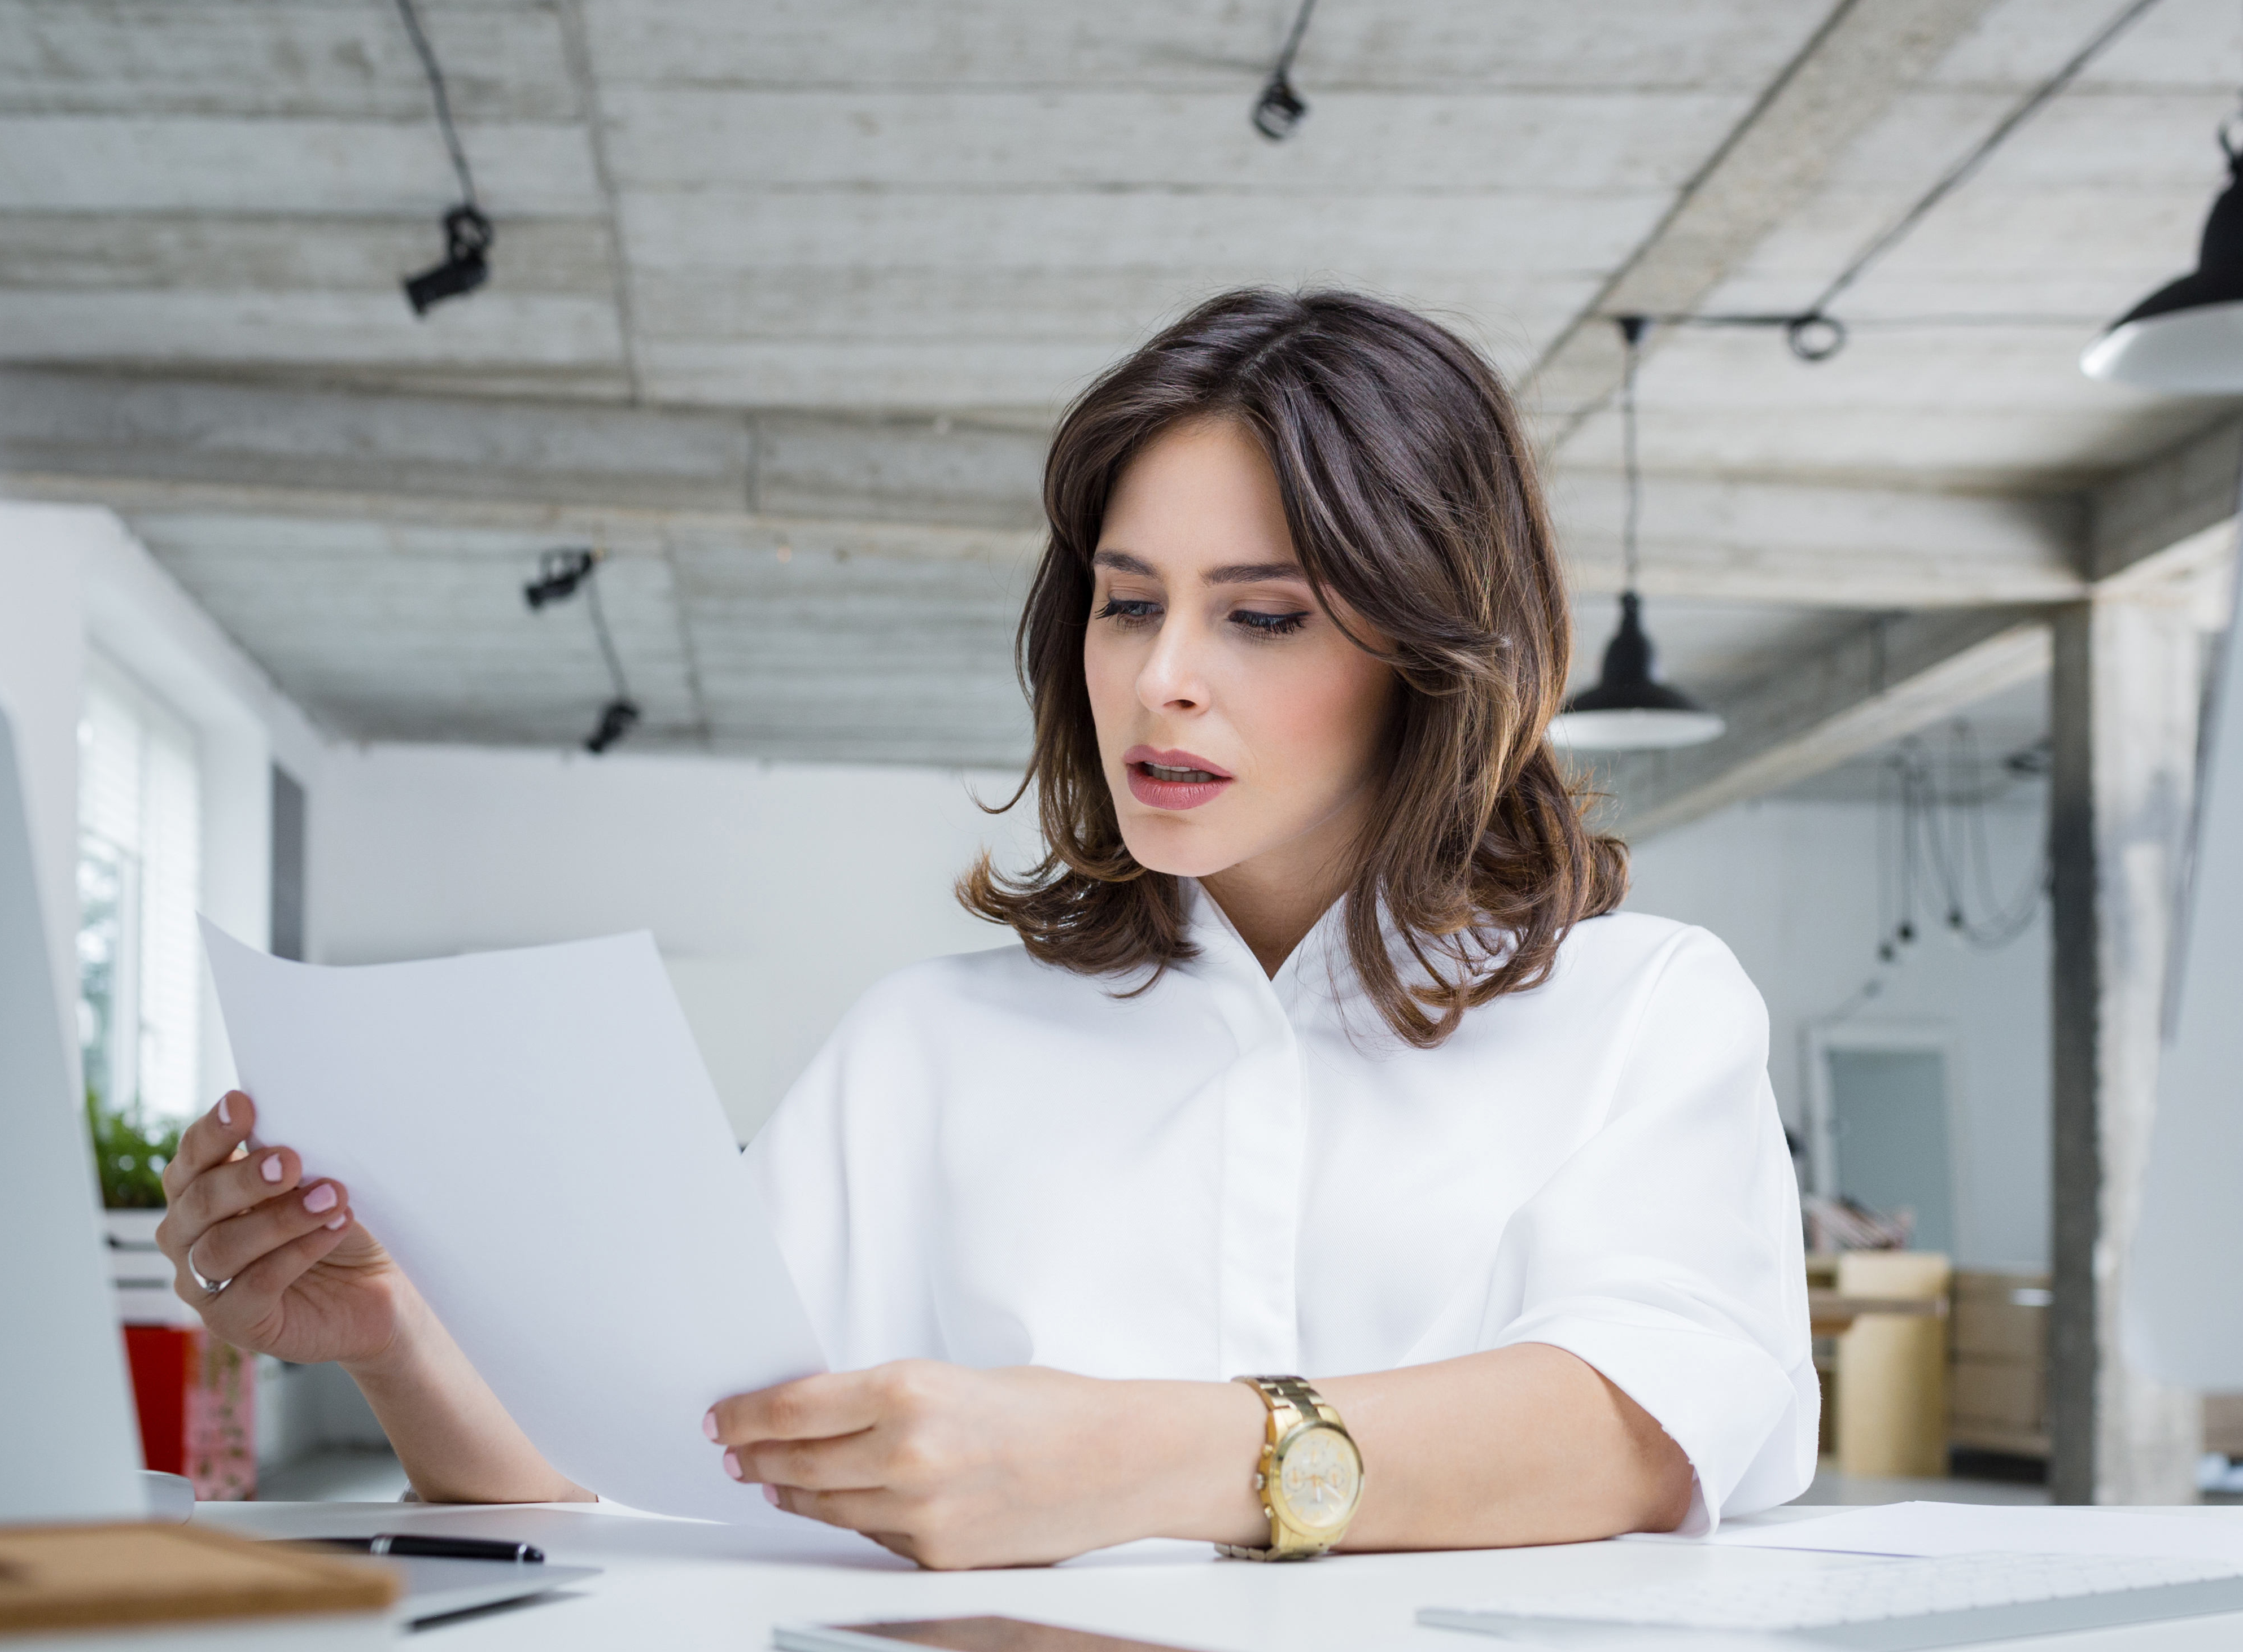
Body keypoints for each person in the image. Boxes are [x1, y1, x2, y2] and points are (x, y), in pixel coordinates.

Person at [158, 289, 1816, 1568]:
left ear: (1437, 653)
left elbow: (1651, 1421)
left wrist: (1132, 1460)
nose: (1164, 673)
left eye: (1261, 616)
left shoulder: (1640, 1008)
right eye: (1126, 599)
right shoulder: (929, 1045)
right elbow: (663, 1484)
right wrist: (397, 1348)